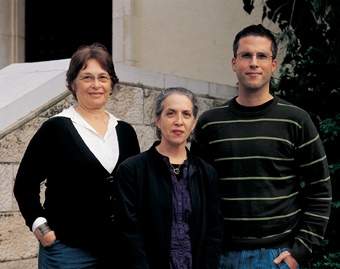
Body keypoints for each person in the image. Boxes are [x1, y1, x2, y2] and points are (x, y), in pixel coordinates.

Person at [191, 25, 332, 269]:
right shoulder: (210, 123)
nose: (254, 63)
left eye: (262, 56)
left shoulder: (296, 120)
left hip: (277, 257)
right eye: (246, 55)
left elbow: (320, 190)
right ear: (234, 63)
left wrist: (300, 251)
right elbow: (196, 192)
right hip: (221, 255)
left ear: (273, 65)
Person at [13, 43, 140, 268]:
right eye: (87, 77)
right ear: (73, 83)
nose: (96, 85)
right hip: (67, 252)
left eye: (103, 77)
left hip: (118, 252)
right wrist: (40, 226)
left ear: (111, 84)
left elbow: (135, 190)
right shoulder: (56, 129)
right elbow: (25, 184)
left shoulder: (125, 132)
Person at [114, 87, 223, 269]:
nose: (179, 121)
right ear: (157, 119)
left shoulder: (206, 173)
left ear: (194, 122)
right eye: (170, 113)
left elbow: (214, 233)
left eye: (186, 114)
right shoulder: (132, 170)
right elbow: (129, 233)